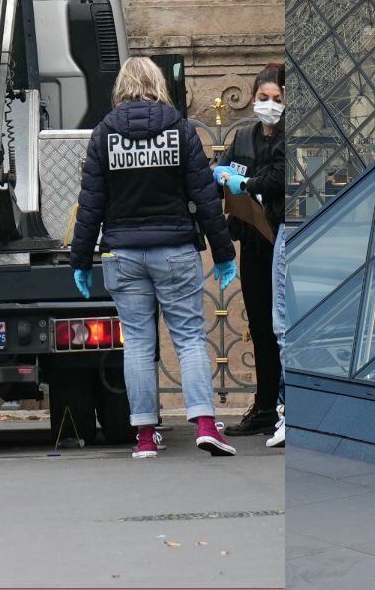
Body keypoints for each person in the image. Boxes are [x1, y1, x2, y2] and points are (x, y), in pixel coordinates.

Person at [71, 57, 238, 458]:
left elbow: (90, 204)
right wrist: (223, 252)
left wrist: (80, 260)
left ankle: (145, 437)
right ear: (158, 84)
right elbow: (204, 196)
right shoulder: (180, 130)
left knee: (138, 344)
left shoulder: (104, 134)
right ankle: (205, 425)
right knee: (190, 339)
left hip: (123, 254)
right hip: (175, 250)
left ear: (122, 87)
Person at [213, 66, 292, 449]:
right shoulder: (245, 135)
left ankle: (283, 405)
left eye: (277, 99)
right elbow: (224, 169)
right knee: (260, 326)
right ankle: (264, 407)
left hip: (282, 238)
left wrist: (246, 183)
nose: (269, 105)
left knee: (283, 328)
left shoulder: (290, 137)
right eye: (263, 98)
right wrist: (221, 175)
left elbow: (279, 178)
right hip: (253, 239)